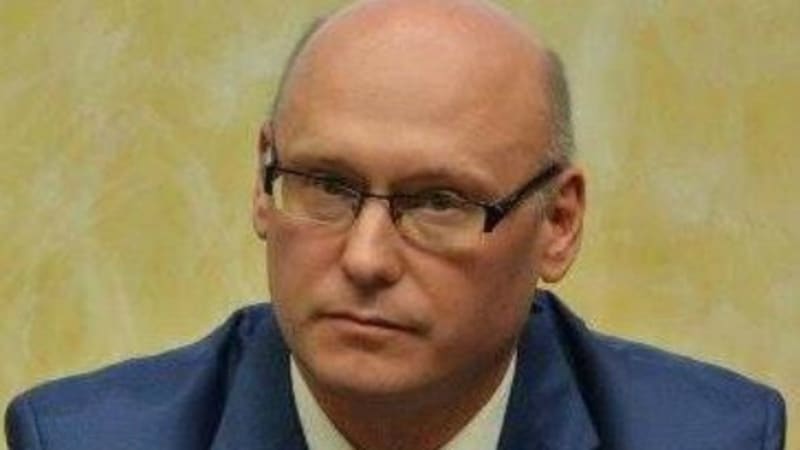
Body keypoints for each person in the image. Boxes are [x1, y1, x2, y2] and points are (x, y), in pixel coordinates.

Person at [5, 0, 786, 449]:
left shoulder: (708, 438)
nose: (366, 258)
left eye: (439, 201)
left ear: (558, 223)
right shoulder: (82, 442)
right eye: (326, 185)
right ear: (262, 183)